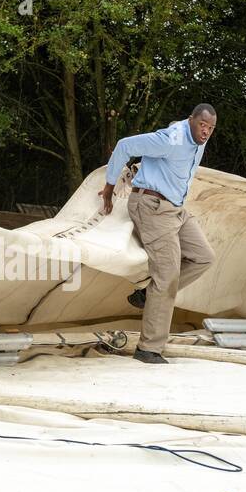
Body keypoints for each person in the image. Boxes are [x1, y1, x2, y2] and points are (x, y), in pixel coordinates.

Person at [98, 105, 218, 364]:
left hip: (175, 209)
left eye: (210, 128)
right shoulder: (171, 139)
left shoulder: (199, 141)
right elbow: (124, 146)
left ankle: (146, 293)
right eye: (202, 125)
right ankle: (149, 348)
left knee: (204, 257)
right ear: (191, 120)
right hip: (150, 206)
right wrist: (109, 187)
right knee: (167, 274)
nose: (206, 131)